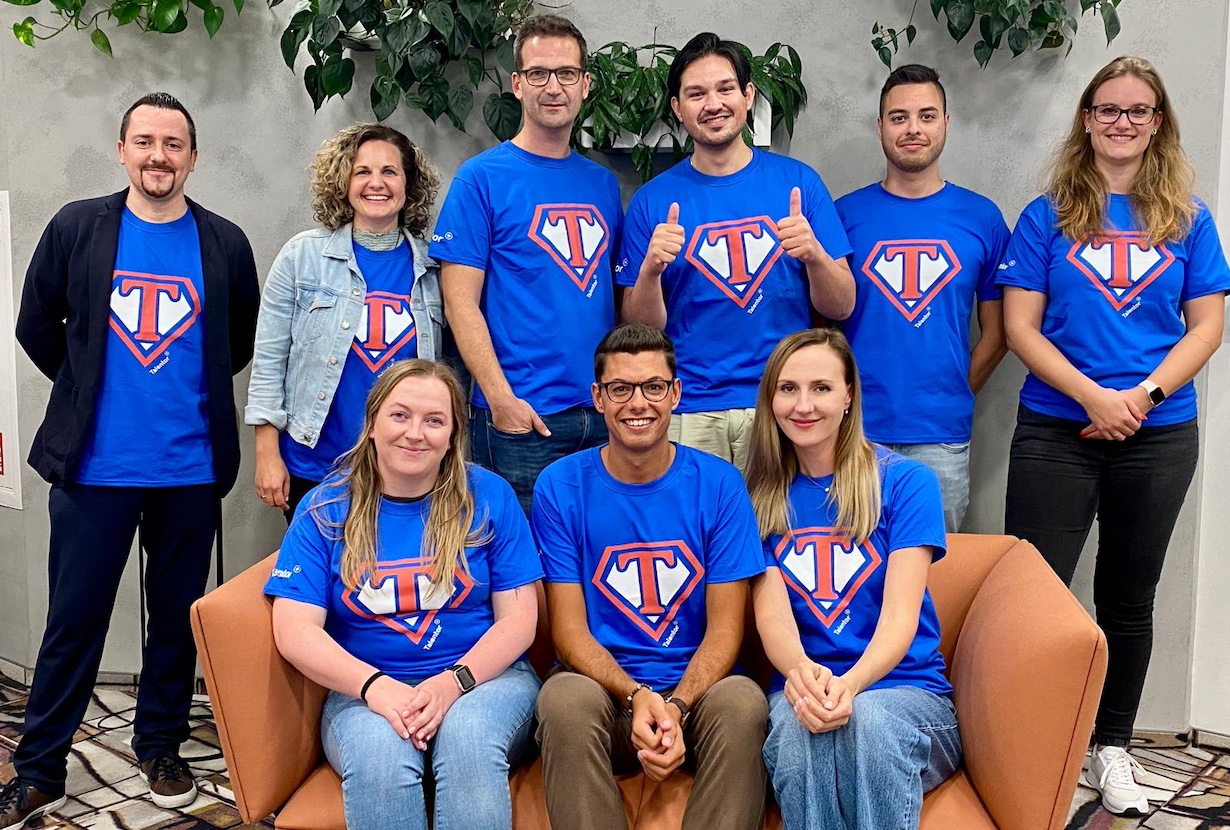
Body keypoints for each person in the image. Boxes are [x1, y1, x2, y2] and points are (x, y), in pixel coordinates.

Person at [7, 92, 260, 827]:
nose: (159, 156)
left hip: (188, 472)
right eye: (145, 141)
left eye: (174, 144)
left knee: (176, 620)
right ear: (122, 150)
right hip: (95, 471)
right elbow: (36, 324)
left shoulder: (224, 243)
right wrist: (89, 385)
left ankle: (161, 745)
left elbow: (233, 345)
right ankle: (40, 768)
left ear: (192, 157)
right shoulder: (77, 227)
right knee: (73, 620)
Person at [998, 56, 1229, 816]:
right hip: (1057, 430)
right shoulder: (1047, 216)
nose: (1122, 122)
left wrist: (1140, 397)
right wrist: (1095, 396)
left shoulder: (1190, 218)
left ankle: (1112, 750)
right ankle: (1029, 748)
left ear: (1157, 122)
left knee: (1129, 600)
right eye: (1108, 109)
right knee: (1033, 599)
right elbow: (1019, 328)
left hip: (1158, 435)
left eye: (1137, 110)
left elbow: (1207, 329)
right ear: (1088, 120)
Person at [264, 359, 542, 830]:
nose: (416, 433)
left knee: (468, 739)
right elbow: (294, 630)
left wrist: (451, 683)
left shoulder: (490, 495)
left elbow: (519, 620)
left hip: (487, 682)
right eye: (400, 415)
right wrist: (376, 688)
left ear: (453, 434)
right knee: (378, 757)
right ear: (371, 423)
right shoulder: (324, 507)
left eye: (434, 420)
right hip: (363, 689)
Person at [532, 324, 768, 830]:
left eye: (653, 387)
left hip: (697, 698)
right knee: (562, 699)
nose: (637, 403)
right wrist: (637, 695)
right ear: (598, 398)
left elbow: (728, 629)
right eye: (620, 389)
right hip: (607, 699)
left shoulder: (721, 484)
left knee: (744, 702)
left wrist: (677, 705)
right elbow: (568, 632)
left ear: (675, 393)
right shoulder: (560, 485)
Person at [746, 329, 960, 830]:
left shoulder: (907, 481)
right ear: (770, 399)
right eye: (788, 388)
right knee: (800, 732)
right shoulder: (754, 496)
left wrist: (850, 685)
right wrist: (802, 677)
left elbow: (900, 617)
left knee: (869, 721)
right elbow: (771, 613)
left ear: (848, 396)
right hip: (803, 688)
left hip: (906, 693)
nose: (803, 405)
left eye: (821, 387)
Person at [619, 32, 855, 472]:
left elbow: (841, 305)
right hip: (689, 407)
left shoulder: (799, 183)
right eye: (696, 93)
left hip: (783, 403)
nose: (713, 104)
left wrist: (815, 256)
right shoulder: (652, 202)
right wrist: (650, 271)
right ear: (677, 108)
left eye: (726, 89)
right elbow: (640, 333)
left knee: (778, 536)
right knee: (695, 536)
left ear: (748, 96)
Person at [430, 14, 621, 513]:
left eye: (566, 73)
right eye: (538, 73)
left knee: (589, 565)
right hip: (520, 421)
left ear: (585, 85)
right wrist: (499, 399)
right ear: (517, 84)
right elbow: (459, 303)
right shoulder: (480, 179)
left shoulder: (602, 185)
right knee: (522, 580)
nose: (552, 86)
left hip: (602, 412)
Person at [835, 64, 1009, 531]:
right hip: (853, 433)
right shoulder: (843, 216)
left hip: (942, 437)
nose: (913, 129)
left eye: (927, 116)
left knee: (936, 578)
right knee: (853, 575)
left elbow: (1001, 333)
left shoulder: (983, 218)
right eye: (899, 117)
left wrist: (953, 390)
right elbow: (820, 329)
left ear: (946, 124)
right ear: (880, 127)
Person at [245, 123, 443, 520]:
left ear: (409, 184)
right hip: (315, 466)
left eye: (390, 171)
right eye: (362, 171)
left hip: (407, 469)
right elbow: (269, 361)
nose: (377, 183)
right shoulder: (302, 257)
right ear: (344, 181)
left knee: (389, 580)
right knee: (322, 579)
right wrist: (267, 454)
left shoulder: (435, 267)